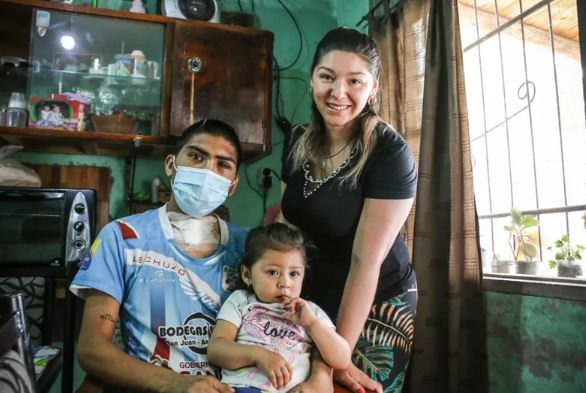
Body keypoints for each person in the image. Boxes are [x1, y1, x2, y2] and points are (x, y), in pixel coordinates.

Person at [280, 27, 418, 393]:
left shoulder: (389, 153)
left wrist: (335, 358)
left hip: (375, 303)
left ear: (373, 89)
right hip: (314, 296)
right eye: (327, 77)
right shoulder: (296, 140)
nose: (337, 93)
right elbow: (287, 225)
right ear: (312, 80)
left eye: (354, 81)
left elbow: (365, 263)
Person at [71, 119, 246, 393]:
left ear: (232, 186)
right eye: (197, 156)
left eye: (222, 164)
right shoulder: (122, 237)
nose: (207, 171)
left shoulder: (248, 248)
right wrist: (175, 383)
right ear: (170, 165)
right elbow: (92, 349)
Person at [208, 223, 350, 392]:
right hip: (245, 387)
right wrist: (258, 356)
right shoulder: (241, 301)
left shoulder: (311, 312)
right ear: (247, 275)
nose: (285, 284)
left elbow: (342, 359)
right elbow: (216, 349)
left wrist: (312, 324)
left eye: (294, 274)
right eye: (272, 272)